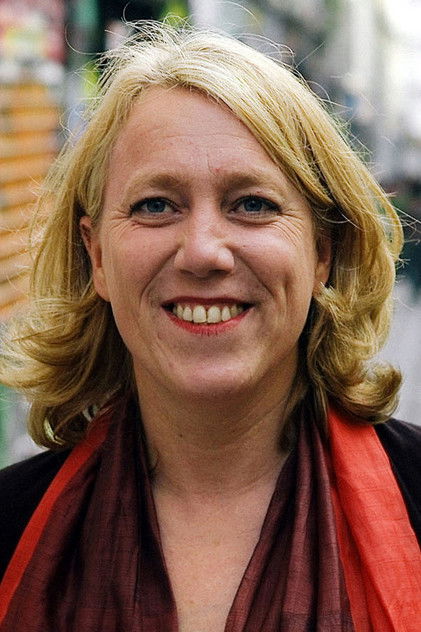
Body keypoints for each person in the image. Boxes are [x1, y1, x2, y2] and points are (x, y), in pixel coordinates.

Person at [0, 21, 420, 632]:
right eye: (155, 205)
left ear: (322, 254)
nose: (202, 252)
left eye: (252, 204)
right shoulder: (11, 524)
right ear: (97, 257)